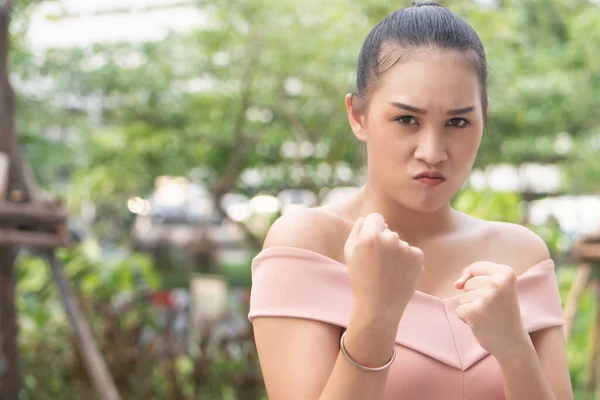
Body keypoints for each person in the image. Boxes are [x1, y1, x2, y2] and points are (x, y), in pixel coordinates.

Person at [248, 2, 573, 399]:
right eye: (407, 120)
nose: (432, 151)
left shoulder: (521, 256)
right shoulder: (308, 243)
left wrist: (514, 349)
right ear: (358, 116)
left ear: (483, 118)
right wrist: (375, 318)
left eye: (458, 122)